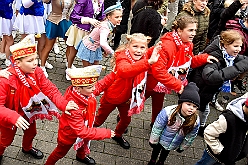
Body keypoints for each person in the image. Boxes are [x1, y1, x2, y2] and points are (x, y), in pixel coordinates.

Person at [0, 34, 78, 162]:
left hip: (29, 110)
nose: (35, 63)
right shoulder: (5, 80)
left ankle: (27, 148)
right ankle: (0, 151)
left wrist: (64, 104)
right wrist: (14, 117)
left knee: (31, 133)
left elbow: (50, 89)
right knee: (6, 140)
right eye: (30, 61)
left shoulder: (36, 72)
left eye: (36, 58)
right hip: (10, 117)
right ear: (17, 62)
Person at [145, 15, 218, 128]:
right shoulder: (166, 46)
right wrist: (178, 85)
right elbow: (158, 71)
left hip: (163, 83)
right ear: (179, 30)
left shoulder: (188, 44)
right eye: (190, 30)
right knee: (137, 101)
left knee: (158, 105)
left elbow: (188, 62)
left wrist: (203, 58)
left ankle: (155, 123)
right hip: (152, 81)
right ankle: (123, 119)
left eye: (195, 30)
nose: (194, 33)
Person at [93, 33, 161, 149]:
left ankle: (117, 135)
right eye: (135, 46)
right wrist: (148, 63)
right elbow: (125, 71)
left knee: (125, 121)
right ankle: (84, 131)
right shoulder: (122, 58)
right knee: (99, 120)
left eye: (142, 47)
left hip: (127, 100)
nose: (139, 51)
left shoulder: (144, 57)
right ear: (128, 46)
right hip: (112, 98)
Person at [45, 65, 115, 165]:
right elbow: (81, 131)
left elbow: (100, 86)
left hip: (84, 129)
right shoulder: (74, 108)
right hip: (68, 135)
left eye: (93, 85)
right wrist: (104, 133)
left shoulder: (86, 92)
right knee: (60, 153)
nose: (94, 89)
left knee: (83, 144)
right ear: (78, 88)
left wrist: (113, 75)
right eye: (90, 87)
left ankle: (81, 156)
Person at [189, 29, 248, 136]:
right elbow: (210, 76)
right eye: (235, 46)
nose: (239, 49)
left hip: (207, 91)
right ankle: (192, 130)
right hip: (200, 90)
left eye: (240, 46)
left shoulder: (227, 55)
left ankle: (198, 127)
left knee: (204, 111)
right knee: (199, 112)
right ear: (225, 45)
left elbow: (241, 58)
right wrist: (238, 68)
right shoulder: (215, 57)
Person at [148, 82, 200, 165]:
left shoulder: (195, 121)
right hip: (160, 140)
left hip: (173, 143)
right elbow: (157, 127)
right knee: (156, 150)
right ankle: (152, 160)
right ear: (181, 103)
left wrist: (183, 146)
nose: (191, 108)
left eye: (194, 106)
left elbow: (191, 136)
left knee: (165, 153)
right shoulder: (168, 112)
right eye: (188, 104)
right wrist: (153, 140)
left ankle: (161, 162)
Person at [195, 92, 248, 165]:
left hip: (228, 158)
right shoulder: (228, 119)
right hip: (214, 156)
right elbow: (208, 132)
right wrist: (221, 151)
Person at [65, 0, 105, 79]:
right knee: (73, 50)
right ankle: (68, 69)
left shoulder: (101, 2)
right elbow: (73, 16)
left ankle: (88, 72)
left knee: (88, 52)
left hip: (91, 32)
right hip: (79, 30)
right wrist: (89, 20)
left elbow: (101, 16)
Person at [75, 2, 123, 67]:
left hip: (95, 46)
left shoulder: (109, 24)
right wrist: (112, 52)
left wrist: (106, 49)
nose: (120, 19)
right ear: (109, 17)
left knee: (95, 66)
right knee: (87, 68)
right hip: (89, 47)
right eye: (117, 17)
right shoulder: (105, 27)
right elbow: (103, 43)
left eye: (121, 16)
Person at [40, 0, 73, 77]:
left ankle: (69, 65)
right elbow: (45, 1)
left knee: (70, 45)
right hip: (53, 21)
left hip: (66, 21)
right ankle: (42, 66)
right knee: (48, 46)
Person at [14, 0, 46, 66]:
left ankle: (42, 60)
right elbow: (25, 4)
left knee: (42, 41)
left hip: (39, 15)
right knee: (27, 42)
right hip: (28, 17)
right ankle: (27, 63)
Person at [0, 0, 15, 66]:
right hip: (4, 17)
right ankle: (8, 59)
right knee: (10, 41)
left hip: (6, 16)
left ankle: (3, 53)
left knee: (5, 37)